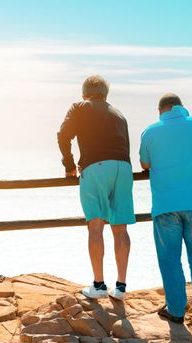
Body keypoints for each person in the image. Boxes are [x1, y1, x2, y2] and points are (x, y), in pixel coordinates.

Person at [139, 93, 192, 326]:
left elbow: (145, 163)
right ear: (182, 108)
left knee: (170, 259)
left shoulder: (150, 131)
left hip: (165, 206)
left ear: (160, 111)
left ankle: (175, 310)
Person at [57, 75, 135, 300]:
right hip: (123, 167)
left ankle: (99, 285)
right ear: (106, 94)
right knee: (120, 228)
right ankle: (120, 288)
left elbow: (63, 136)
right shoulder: (119, 114)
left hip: (96, 167)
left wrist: (69, 166)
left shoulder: (79, 107)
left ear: (84, 93)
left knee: (96, 226)